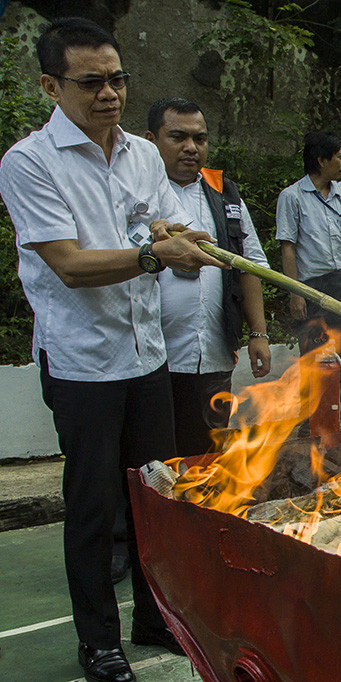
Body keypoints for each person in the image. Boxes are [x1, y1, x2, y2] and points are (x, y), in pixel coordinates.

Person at [0, 17, 225, 682]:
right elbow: (69, 264)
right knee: (95, 508)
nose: (109, 93)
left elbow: (152, 222)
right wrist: (156, 252)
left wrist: (166, 233)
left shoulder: (140, 154)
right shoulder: (29, 162)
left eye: (117, 78)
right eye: (90, 81)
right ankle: (98, 642)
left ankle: (157, 618)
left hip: (145, 354)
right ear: (50, 85)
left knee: (154, 499)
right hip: (84, 363)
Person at [145, 97, 271, 456]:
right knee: (158, 457)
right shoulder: (138, 193)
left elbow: (249, 265)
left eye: (199, 139)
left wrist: (258, 333)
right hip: (154, 355)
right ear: (150, 140)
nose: (191, 147)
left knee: (208, 453)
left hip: (214, 353)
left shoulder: (224, 193)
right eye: (178, 137)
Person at [277, 130, 341, 428]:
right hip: (314, 287)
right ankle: (315, 422)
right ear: (321, 160)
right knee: (316, 356)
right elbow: (288, 247)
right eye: (339, 155)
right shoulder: (292, 197)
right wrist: (295, 293)